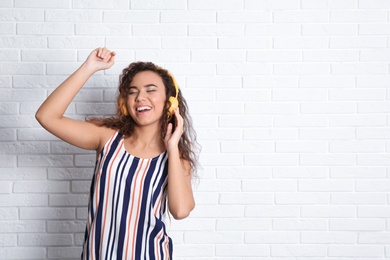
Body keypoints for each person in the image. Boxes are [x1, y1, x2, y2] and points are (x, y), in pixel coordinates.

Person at [35, 47, 199, 259]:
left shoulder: (176, 159)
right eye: (132, 91)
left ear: (170, 101)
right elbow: (46, 116)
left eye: (150, 90)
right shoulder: (107, 138)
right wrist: (89, 68)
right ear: (125, 102)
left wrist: (172, 145)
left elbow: (181, 211)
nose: (140, 97)